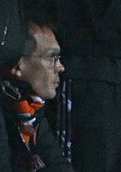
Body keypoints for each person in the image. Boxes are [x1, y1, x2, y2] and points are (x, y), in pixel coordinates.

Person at [2, 16, 71, 171]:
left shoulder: (32, 112)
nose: (60, 67)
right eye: (51, 57)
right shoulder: (7, 113)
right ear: (17, 66)